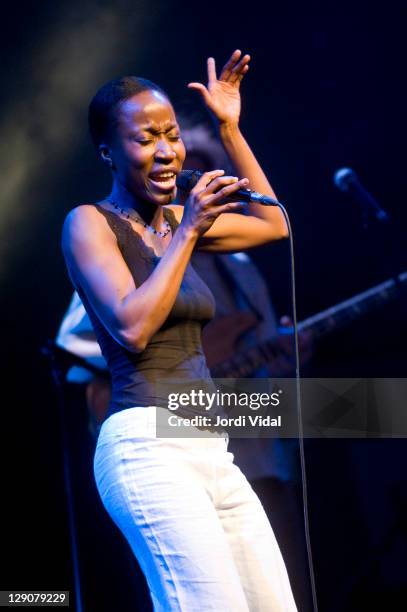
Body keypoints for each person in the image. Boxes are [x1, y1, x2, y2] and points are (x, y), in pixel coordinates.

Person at [61, 49, 297, 610]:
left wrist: (230, 129)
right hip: (146, 446)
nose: (166, 151)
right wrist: (189, 228)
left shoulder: (174, 223)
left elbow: (275, 222)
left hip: (211, 447)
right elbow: (132, 327)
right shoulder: (89, 223)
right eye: (145, 139)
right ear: (109, 152)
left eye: (171, 134)